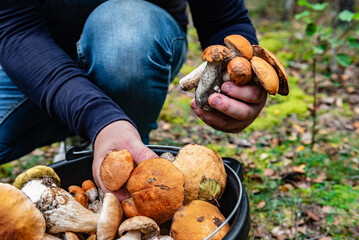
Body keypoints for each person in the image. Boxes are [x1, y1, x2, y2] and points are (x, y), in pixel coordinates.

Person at [0, 0, 267, 200]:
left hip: (136, 44)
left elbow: (224, 19)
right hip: (32, 57)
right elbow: (16, 29)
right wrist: (95, 115)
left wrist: (241, 77)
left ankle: (117, 140)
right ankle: (91, 125)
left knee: (126, 38)